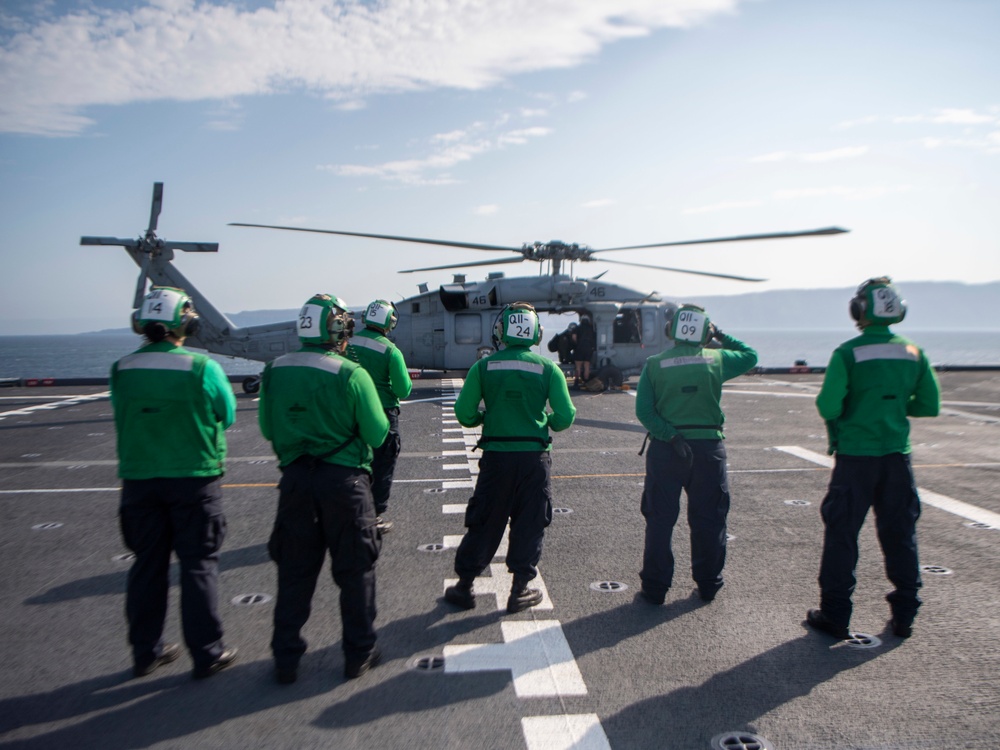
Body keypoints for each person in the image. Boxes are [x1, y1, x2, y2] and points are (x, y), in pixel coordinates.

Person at [259, 293, 390, 683]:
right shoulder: (351, 373)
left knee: (294, 572)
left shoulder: (274, 370)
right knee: (355, 572)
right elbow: (378, 432)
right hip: (344, 483)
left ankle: (286, 658)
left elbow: (268, 429)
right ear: (337, 328)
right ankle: (359, 653)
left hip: (296, 482)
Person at [110, 286, 238, 680]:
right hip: (193, 479)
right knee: (198, 565)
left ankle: (146, 652)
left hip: (138, 482)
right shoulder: (201, 368)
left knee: (147, 566)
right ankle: (206, 652)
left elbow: (121, 412)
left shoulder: (123, 368)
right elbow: (227, 414)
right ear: (186, 321)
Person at [806, 277, 940, 640]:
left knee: (842, 536)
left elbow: (828, 405)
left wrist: (857, 411)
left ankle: (835, 615)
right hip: (897, 457)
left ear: (859, 310)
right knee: (901, 534)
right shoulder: (914, 352)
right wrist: (895, 406)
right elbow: (929, 405)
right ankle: (905, 615)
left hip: (855, 459)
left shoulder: (848, 353)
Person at [444, 302, 576, 613]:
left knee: (486, 520)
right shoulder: (548, 368)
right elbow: (565, 415)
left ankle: (464, 586)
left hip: (497, 459)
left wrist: (483, 421)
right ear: (535, 333)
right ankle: (519, 590)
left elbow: (464, 413)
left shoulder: (484, 367)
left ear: (501, 331)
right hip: (533, 459)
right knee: (530, 521)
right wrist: (546, 424)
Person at [634, 304, 757, 604]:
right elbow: (750, 356)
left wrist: (670, 435)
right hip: (708, 450)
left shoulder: (654, 364)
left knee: (660, 520)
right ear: (705, 331)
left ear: (671, 331)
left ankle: (655, 588)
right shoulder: (717, 359)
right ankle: (708, 584)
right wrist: (720, 334)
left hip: (667, 450)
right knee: (709, 519)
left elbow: (644, 412)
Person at [347, 299, 412, 533]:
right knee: (382, 463)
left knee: (351, 462)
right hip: (383, 413)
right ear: (390, 323)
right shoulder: (390, 351)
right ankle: (373, 516)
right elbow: (403, 390)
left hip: (350, 411)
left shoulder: (347, 342)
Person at [572, 317, 595, 387]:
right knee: (587, 366)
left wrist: (576, 343)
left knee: (578, 367)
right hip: (588, 349)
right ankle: (587, 382)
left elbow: (574, 337)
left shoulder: (577, 328)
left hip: (579, 348)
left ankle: (576, 382)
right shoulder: (591, 329)